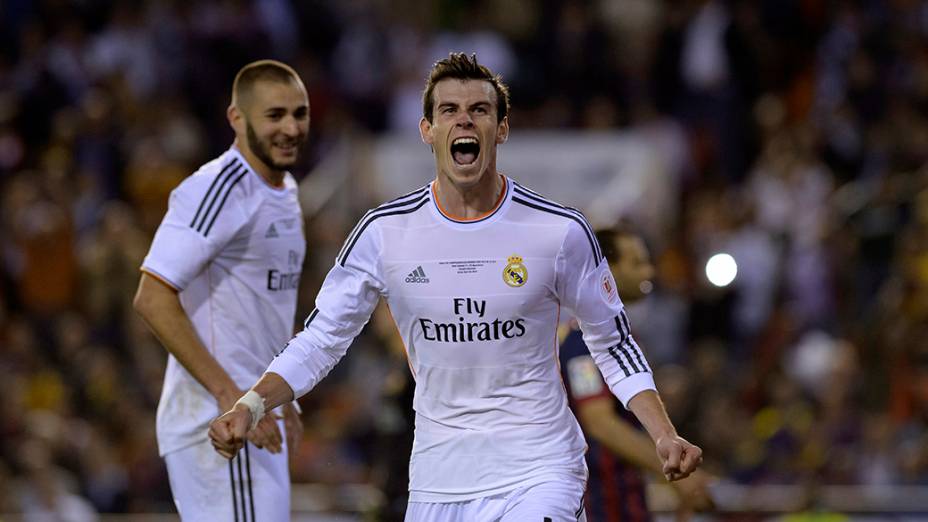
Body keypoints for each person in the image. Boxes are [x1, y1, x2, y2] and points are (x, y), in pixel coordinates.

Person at [210, 52, 702, 521]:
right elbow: (320, 340)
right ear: (428, 130)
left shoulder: (560, 231)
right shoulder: (384, 232)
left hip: (539, 470)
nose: (464, 120)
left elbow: (613, 341)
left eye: (480, 110)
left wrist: (663, 434)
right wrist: (250, 405)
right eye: (449, 110)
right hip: (437, 482)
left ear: (501, 128)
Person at [133, 59, 309, 520]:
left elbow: (263, 306)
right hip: (222, 428)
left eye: (299, 113)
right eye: (275, 115)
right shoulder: (219, 187)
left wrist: (281, 391)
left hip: (254, 414)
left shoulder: (285, 189)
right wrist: (233, 397)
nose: (291, 127)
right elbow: (151, 296)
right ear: (237, 118)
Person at [560, 225, 714, 521]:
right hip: (599, 502)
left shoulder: (623, 336)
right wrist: (671, 469)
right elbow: (599, 421)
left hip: (623, 495)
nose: (650, 271)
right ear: (607, 271)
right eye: (637, 263)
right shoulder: (583, 343)